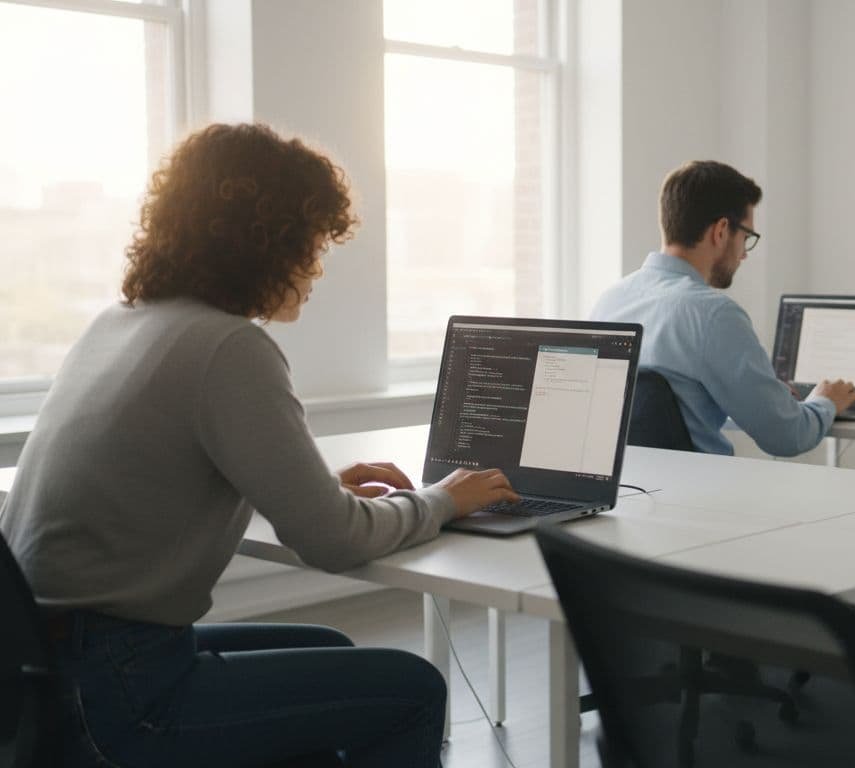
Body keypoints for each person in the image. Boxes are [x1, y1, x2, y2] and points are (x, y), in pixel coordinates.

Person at [0, 123, 519, 768]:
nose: (316, 267)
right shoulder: (228, 347)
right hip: (121, 690)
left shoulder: (120, 323)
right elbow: (332, 541)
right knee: (412, 690)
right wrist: (444, 500)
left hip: (45, 669)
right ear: (265, 246)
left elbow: (165, 479)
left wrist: (312, 488)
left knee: (328, 646)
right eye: (311, 245)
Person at [590, 160, 855, 456]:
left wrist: (768, 394)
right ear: (721, 231)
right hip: (704, 494)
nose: (744, 254)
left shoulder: (608, 302)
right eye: (746, 237)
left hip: (633, 493)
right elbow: (788, 437)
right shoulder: (713, 315)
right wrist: (826, 401)